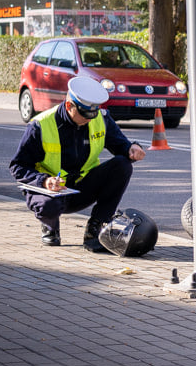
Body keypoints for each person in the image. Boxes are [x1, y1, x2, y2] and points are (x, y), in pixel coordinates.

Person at [10, 76, 147, 251]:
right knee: (48, 206)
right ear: (69, 106)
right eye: (85, 115)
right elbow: (17, 166)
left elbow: (121, 145)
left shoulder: (100, 119)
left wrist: (132, 148)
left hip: (82, 187)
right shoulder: (40, 126)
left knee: (123, 165)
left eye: (93, 114)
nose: (90, 119)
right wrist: (45, 181)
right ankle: (50, 226)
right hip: (50, 192)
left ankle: (96, 228)